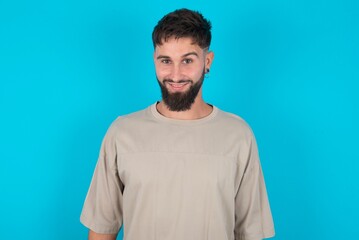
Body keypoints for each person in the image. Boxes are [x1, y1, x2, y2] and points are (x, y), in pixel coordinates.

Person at [80, 8, 275, 240]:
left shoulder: (238, 135)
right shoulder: (122, 133)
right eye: (166, 60)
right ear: (154, 60)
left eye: (187, 60)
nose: (175, 74)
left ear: (207, 61)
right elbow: (102, 230)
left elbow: (250, 233)